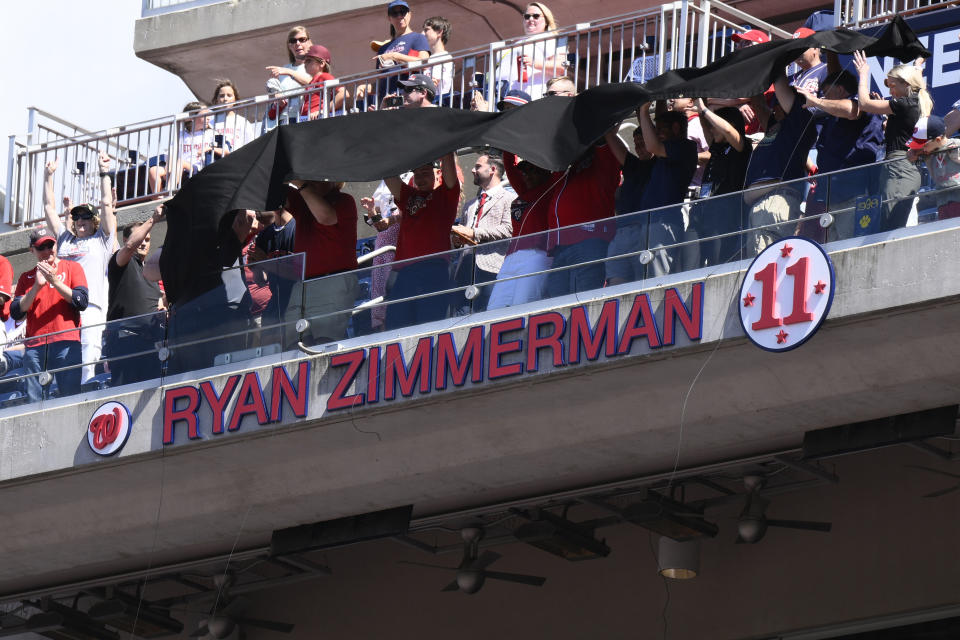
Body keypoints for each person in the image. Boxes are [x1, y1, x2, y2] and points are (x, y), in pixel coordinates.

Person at [43, 152, 116, 385]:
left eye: (85, 216)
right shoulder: (65, 240)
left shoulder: (102, 240)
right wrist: (48, 176)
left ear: (94, 220)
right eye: (77, 216)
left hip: (91, 308)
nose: (80, 219)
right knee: (61, 369)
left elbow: (106, 204)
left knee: (86, 368)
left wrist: (104, 172)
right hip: (63, 311)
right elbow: (48, 209)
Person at [606, 104, 697, 282]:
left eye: (660, 130)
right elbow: (612, 136)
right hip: (647, 225)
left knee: (653, 281)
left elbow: (653, 146)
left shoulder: (685, 147)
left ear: (676, 128)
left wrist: (643, 109)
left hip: (664, 223)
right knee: (633, 282)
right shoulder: (656, 158)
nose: (656, 134)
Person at [795, 69, 884, 241]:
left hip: (855, 193)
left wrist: (815, 100)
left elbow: (852, 110)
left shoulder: (861, 104)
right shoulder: (831, 117)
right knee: (833, 255)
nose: (824, 97)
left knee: (851, 247)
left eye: (826, 93)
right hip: (831, 197)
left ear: (841, 90)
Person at [377, 153, 461, 330]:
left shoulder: (446, 195)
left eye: (425, 173)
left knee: (429, 326)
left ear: (436, 174)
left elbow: (449, 166)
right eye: (417, 174)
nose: (421, 178)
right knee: (396, 328)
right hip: (404, 271)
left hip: (434, 268)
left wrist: (445, 147)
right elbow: (388, 175)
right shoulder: (409, 197)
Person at [853, 50, 933, 231]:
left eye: (893, 85)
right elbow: (917, 78)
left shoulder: (905, 103)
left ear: (906, 83)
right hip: (904, 167)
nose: (890, 91)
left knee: (890, 224)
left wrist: (864, 73)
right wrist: (918, 64)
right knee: (893, 220)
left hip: (898, 168)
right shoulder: (917, 100)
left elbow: (864, 103)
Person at [742, 71, 819, 256]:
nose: (774, 109)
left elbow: (790, 101)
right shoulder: (775, 125)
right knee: (758, 257)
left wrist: (775, 64)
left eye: (778, 105)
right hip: (761, 203)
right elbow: (759, 105)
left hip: (777, 199)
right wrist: (756, 68)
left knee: (768, 259)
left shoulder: (799, 123)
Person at [12, 228, 88, 402]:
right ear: (32, 250)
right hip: (35, 346)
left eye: (50, 245)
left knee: (70, 398)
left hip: (66, 342)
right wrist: (36, 287)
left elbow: (81, 301)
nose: (47, 251)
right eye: (41, 247)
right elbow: (16, 312)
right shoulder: (26, 277)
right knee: (35, 400)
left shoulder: (72, 267)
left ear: (56, 245)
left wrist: (54, 281)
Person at [285, 181, 359, 346]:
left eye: (318, 176)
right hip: (303, 285)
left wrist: (302, 185)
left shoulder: (344, 200)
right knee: (293, 344)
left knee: (324, 344)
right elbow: (277, 195)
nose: (312, 178)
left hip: (332, 281)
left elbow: (326, 217)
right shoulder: (302, 200)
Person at [487, 154, 557, 310]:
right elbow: (509, 164)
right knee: (494, 309)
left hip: (537, 255)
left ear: (546, 171)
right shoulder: (523, 190)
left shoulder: (551, 188)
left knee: (523, 306)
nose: (527, 175)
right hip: (511, 258)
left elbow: (561, 166)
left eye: (533, 170)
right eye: (525, 171)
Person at [106, 206, 166, 386]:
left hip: (151, 344)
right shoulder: (121, 262)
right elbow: (131, 246)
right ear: (126, 239)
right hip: (126, 342)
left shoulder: (151, 274)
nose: (144, 242)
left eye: (148, 239)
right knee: (125, 396)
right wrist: (152, 220)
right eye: (141, 237)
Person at [451, 153, 516, 312]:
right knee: (461, 315)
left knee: (487, 313)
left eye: (478, 166)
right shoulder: (470, 204)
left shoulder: (509, 198)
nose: (473, 170)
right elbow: (465, 234)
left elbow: (509, 230)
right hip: (465, 268)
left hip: (490, 268)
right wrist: (458, 240)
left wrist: (473, 233)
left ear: (493, 169)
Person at [691, 101, 752, 265]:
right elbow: (708, 127)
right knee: (691, 266)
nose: (711, 129)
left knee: (717, 262)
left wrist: (703, 110)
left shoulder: (742, 146)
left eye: (714, 125)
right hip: (703, 214)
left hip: (725, 218)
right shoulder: (716, 148)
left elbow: (727, 130)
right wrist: (699, 101)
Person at [497, 3, 567, 100]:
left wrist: (534, 63)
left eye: (536, 16)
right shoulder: (515, 43)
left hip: (531, 96)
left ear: (546, 20)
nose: (530, 19)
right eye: (527, 16)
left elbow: (561, 66)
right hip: (505, 99)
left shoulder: (550, 39)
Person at [373, 1, 431, 101]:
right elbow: (381, 79)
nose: (399, 16)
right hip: (387, 99)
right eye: (394, 13)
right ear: (389, 18)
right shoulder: (383, 48)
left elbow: (424, 62)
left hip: (408, 96)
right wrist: (366, 88)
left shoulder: (418, 37)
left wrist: (395, 56)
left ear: (409, 15)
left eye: (403, 12)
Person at [908, 115, 960, 220]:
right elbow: (910, 157)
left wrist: (957, 158)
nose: (921, 149)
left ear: (938, 139)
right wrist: (914, 154)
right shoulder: (929, 154)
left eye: (923, 145)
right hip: (942, 202)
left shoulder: (956, 144)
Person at [264, 25, 315, 128]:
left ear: (309, 42)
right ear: (289, 46)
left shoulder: (314, 64)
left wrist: (289, 72)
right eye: (293, 41)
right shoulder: (284, 68)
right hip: (283, 120)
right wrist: (276, 97)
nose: (297, 43)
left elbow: (314, 83)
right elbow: (276, 94)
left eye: (302, 39)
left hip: (304, 118)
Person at [299, 45, 349, 119]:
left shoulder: (325, 76)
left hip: (318, 119)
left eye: (309, 60)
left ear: (322, 63)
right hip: (307, 119)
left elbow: (344, 93)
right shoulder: (311, 82)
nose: (305, 63)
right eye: (305, 61)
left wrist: (322, 111)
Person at [210, 80, 255, 158]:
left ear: (235, 99)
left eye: (229, 95)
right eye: (221, 96)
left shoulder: (242, 122)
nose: (225, 99)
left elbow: (251, 147)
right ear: (217, 99)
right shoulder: (211, 122)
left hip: (237, 163)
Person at [422, 16, 453, 102]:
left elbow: (434, 82)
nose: (422, 33)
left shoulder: (445, 57)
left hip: (437, 101)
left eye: (426, 30)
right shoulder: (429, 58)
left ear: (439, 32)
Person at [790, 28, 828, 95]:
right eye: (794, 48)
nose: (796, 52)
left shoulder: (826, 71)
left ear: (815, 48)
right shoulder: (791, 78)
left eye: (800, 47)